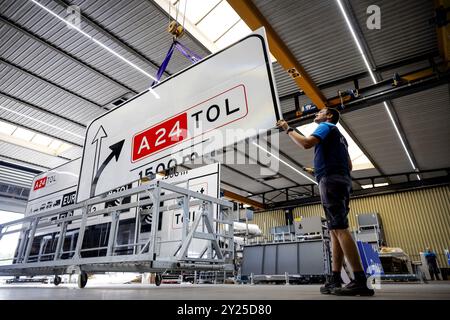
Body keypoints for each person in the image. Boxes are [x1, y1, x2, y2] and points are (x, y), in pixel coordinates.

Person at [276, 108, 374, 296]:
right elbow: (350, 165)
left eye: (320, 112)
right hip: (342, 180)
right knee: (334, 230)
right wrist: (318, 168)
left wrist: (288, 128)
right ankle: (335, 279)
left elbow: (306, 143)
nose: (317, 114)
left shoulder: (326, 126)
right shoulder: (341, 138)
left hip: (331, 180)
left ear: (329, 116)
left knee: (339, 229)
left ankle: (360, 280)